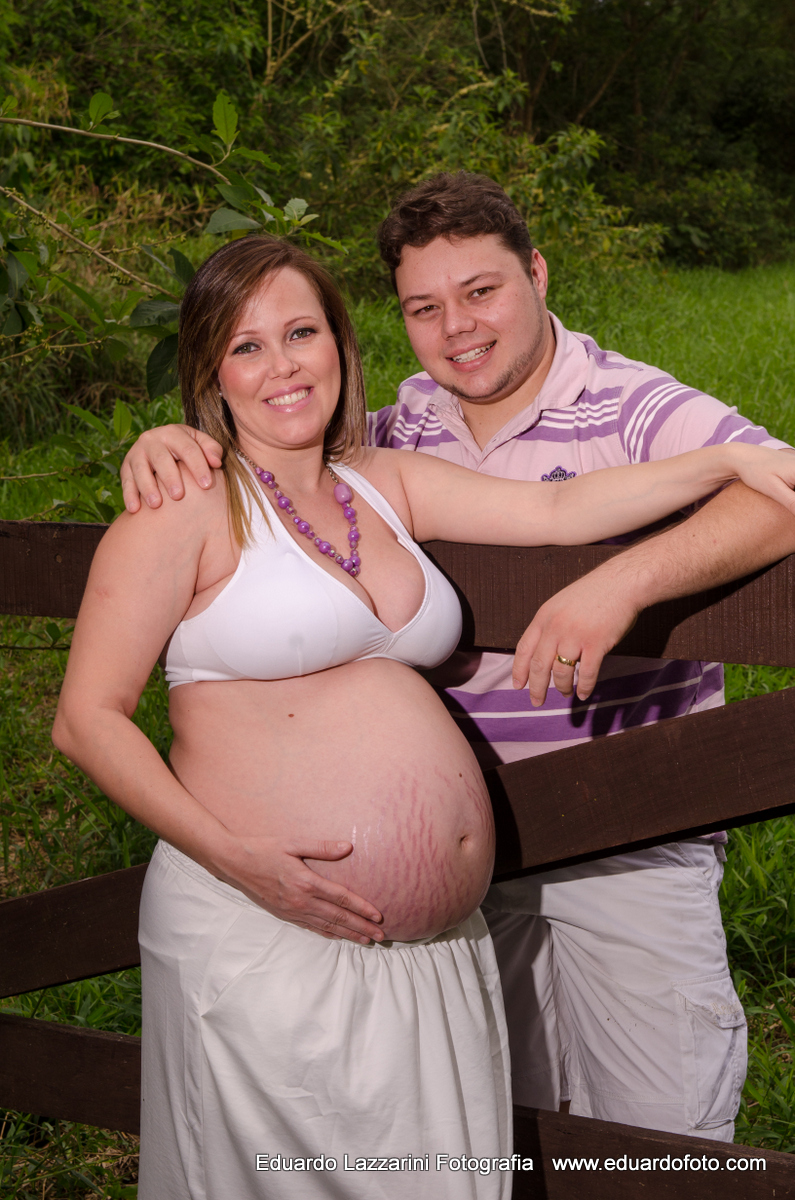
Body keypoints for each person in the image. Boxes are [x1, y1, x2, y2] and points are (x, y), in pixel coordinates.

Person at [119, 177, 795, 1147]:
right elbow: (277, 464)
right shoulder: (396, 435)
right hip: (477, 875)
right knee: (496, 1132)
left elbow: (774, 486)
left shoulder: (631, 404)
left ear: (537, 273)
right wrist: (170, 440)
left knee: (662, 1142)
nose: (457, 328)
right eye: (424, 308)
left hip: (633, 827)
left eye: (481, 292)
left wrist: (624, 581)